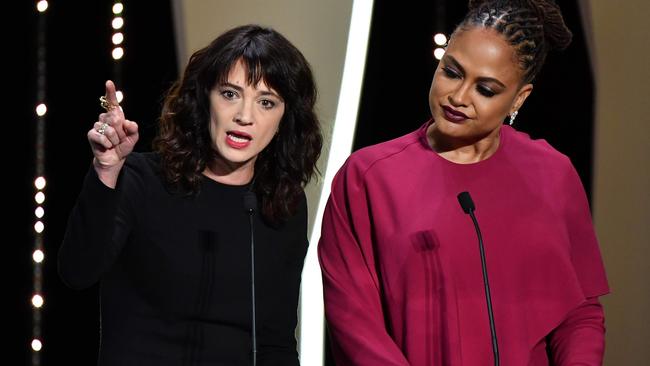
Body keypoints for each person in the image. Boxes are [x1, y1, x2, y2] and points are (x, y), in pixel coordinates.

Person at [318, 1, 609, 365]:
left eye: (485, 90)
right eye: (452, 72)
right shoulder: (367, 178)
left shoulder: (553, 174)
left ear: (519, 98)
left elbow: (579, 313)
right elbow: (354, 324)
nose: (458, 97)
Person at [58, 24, 322, 365]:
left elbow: (276, 341)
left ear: (286, 118)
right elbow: (77, 272)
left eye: (266, 102)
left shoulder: (282, 201)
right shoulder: (142, 179)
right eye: (230, 94)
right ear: (203, 97)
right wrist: (106, 172)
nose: (245, 116)